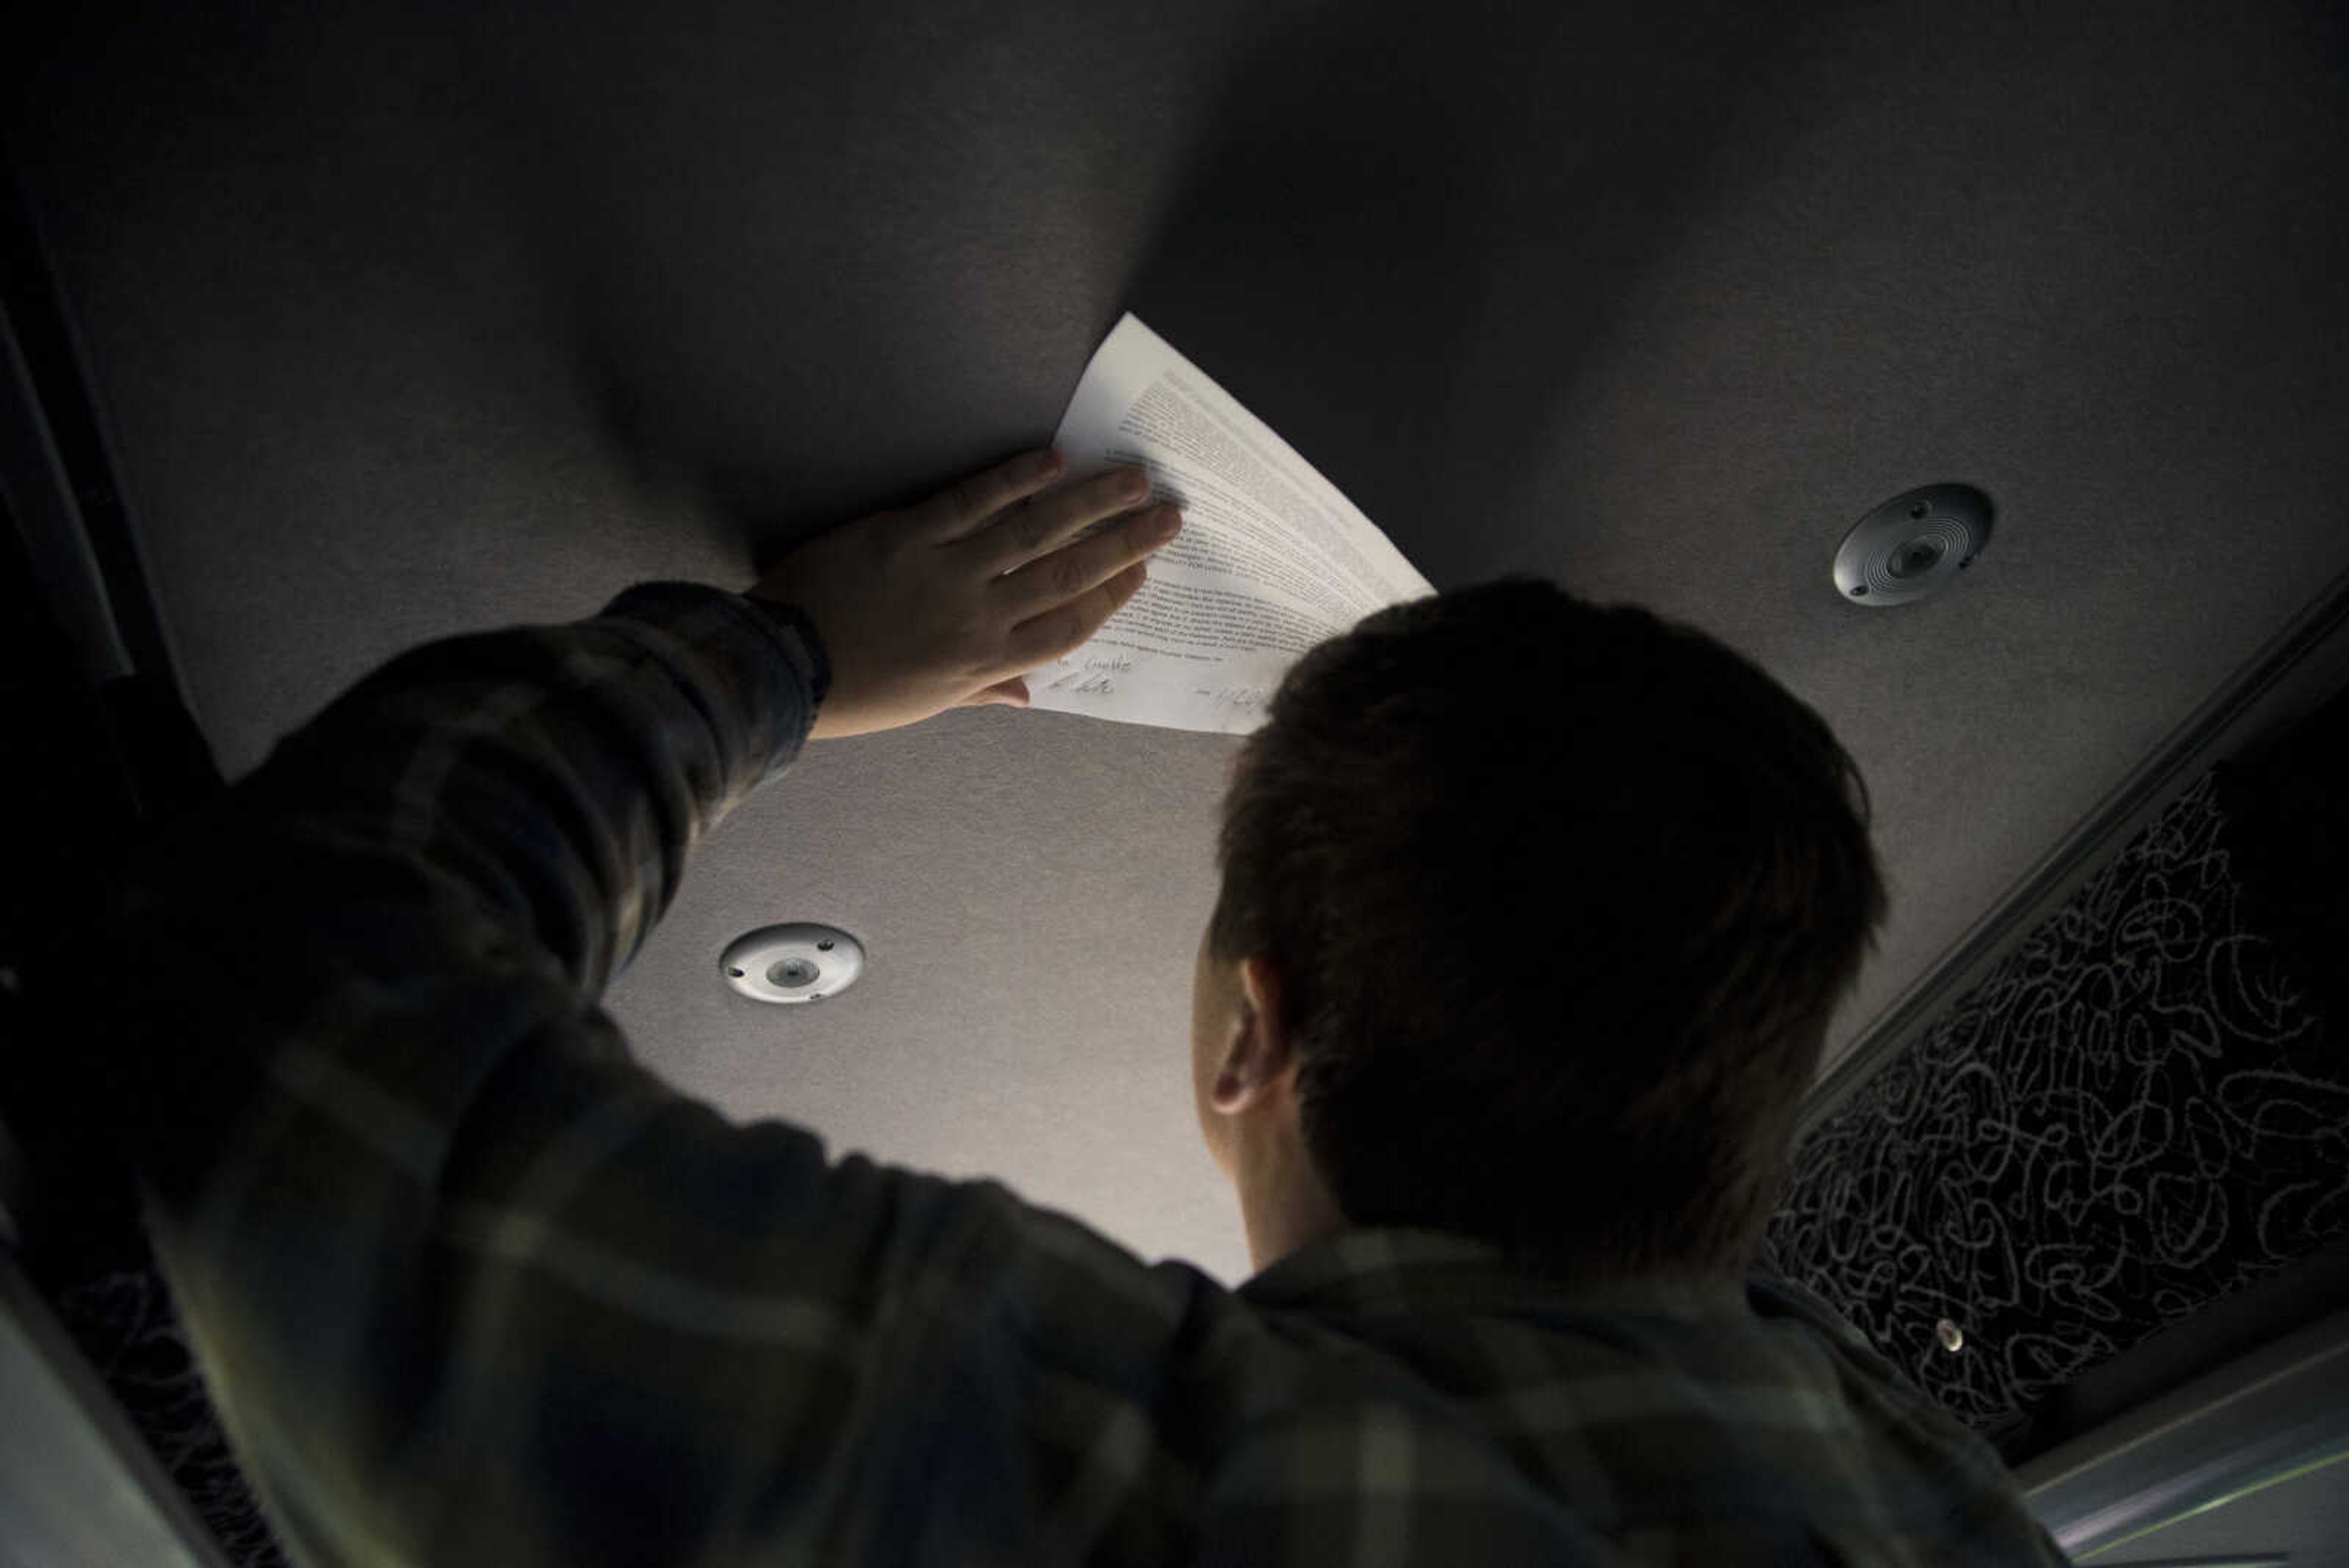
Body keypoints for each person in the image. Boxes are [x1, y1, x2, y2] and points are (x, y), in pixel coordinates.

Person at [84, 446, 2065, 1564]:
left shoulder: (1119, 1481)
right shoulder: (1934, 1505)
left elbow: (288, 996)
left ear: (1246, 1037)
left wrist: (785, 655)